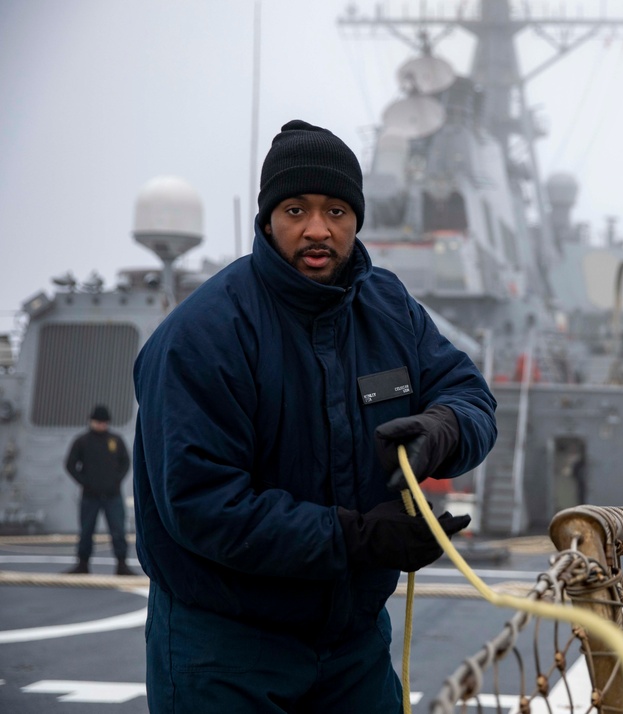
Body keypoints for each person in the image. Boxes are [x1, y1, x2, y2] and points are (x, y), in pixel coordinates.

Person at [132, 119, 497, 713]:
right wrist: (356, 539)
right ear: (269, 218)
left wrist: (444, 429)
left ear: (356, 219)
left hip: (353, 648)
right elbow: (202, 505)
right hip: (225, 650)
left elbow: (469, 394)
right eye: (296, 210)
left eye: (335, 210)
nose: (317, 230)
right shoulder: (201, 335)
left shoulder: (390, 308)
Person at [64, 404, 135, 575]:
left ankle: (121, 564)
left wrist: (116, 480)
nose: (101, 425)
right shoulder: (82, 441)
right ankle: (83, 564)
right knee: (86, 530)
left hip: (113, 494)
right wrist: (84, 482)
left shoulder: (115, 440)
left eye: (104, 422)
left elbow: (125, 462)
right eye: (98, 421)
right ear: (91, 421)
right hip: (90, 495)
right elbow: (70, 464)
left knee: (118, 530)